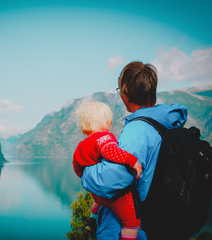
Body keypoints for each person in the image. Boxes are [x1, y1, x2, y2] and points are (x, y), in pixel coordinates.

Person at [80, 61, 188, 240]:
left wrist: (84, 172)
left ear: (125, 93)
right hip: (153, 220)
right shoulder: (167, 123)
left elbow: (112, 179)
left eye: (119, 90)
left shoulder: (137, 130)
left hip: (123, 226)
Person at [73, 101, 143, 240]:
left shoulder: (81, 146)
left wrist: (88, 180)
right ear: (106, 122)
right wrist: (132, 160)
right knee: (132, 222)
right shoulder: (104, 137)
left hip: (97, 195)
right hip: (114, 199)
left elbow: (77, 167)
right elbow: (111, 151)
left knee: (98, 200)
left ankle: (92, 219)